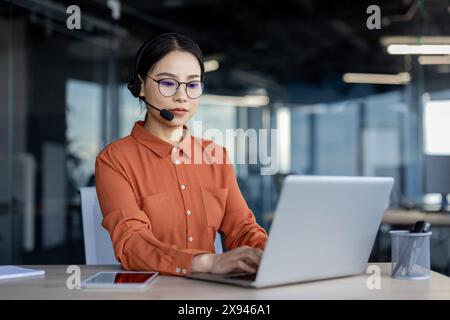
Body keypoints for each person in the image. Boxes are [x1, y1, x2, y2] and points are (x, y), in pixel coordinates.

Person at [95, 33, 267, 276]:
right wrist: (206, 263)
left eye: (193, 84)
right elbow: (132, 243)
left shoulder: (215, 155)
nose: (182, 96)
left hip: (209, 290)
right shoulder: (115, 160)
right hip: (153, 290)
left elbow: (242, 230)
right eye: (167, 83)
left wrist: (272, 254)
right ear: (141, 85)